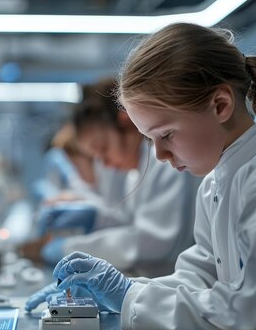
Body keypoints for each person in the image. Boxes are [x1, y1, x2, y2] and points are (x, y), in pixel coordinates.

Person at [28, 23, 256, 330]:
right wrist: (123, 294)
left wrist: (130, 299)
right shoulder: (218, 180)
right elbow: (199, 278)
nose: (157, 155)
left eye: (166, 135)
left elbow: (254, 318)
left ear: (220, 106)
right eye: (150, 139)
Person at [24, 77, 203, 309]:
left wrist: (72, 249)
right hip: (159, 289)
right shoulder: (135, 172)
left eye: (103, 150)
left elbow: (152, 242)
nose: (105, 164)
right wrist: (95, 215)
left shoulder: (163, 163)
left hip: (169, 291)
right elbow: (129, 224)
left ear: (126, 122)